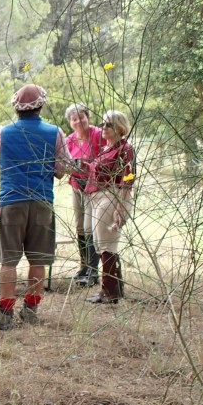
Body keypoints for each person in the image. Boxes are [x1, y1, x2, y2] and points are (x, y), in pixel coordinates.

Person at [0, 83, 68, 329]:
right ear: (40, 106)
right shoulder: (55, 133)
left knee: (9, 261)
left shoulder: (2, 133)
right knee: (37, 260)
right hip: (42, 201)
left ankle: (5, 314)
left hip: (12, 200)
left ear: (16, 108)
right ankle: (31, 309)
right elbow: (61, 170)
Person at [83, 110, 135, 304]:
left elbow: (128, 178)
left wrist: (120, 207)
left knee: (107, 244)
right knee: (99, 243)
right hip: (96, 196)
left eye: (108, 125)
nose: (103, 128)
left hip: (111, 195)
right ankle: (115, 288)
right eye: (103, 124)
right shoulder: (107, 148)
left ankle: (109, 291)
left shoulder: (125, 149)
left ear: (119, 128)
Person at [65, 103, 103, 286]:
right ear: (70, 122)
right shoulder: (70, 139)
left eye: (81, 117)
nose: (78, 121)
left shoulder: (97, 134)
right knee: (80, 226)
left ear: (88, 117)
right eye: (74, 119)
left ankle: (93, 271)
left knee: (89, 227)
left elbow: (107, 156)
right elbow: (64, 162)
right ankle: (84, 266)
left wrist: (90, 165)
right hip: (76, 184)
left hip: (94, 186)